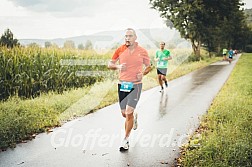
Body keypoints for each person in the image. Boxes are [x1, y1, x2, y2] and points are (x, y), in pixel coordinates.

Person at [108, 28, 152, 151]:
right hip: (122, 85)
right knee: (124, 113)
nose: (127, 38)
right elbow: (109, 64)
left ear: (135, 37)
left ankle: (126, 140)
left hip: (136, 85)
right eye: (126, 36)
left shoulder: (142, 51)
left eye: (130, 36)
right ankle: (134, 116)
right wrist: (117, 66)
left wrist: (143, 73)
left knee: (128, 113)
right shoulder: (120, 49)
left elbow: (149, 66)